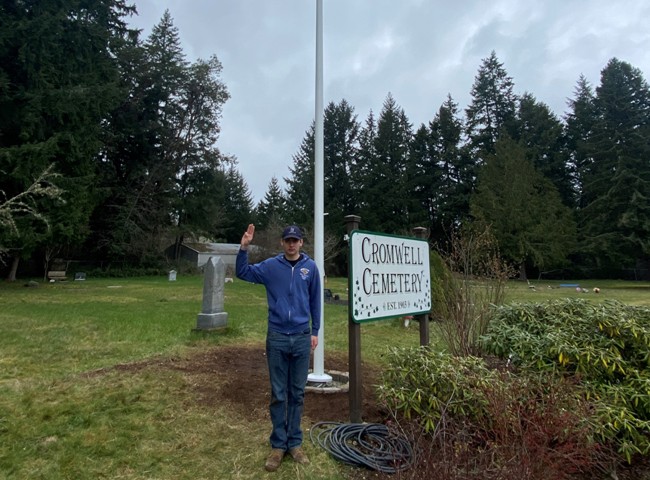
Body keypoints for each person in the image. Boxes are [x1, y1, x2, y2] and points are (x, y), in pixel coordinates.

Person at [236, 223, 321, 472]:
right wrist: (244, 248)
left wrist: (314, 331)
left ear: (302, 243)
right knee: (278, 394)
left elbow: (316, 300)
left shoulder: (310, 268)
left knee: (297, 393)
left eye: (296, 240)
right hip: (277, 337)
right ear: (282, 243)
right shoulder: (271, 267)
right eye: (288, 240)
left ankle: (294, 444)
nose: (292, 244)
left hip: (302, 336)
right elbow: (243, 272)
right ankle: (277, 446)